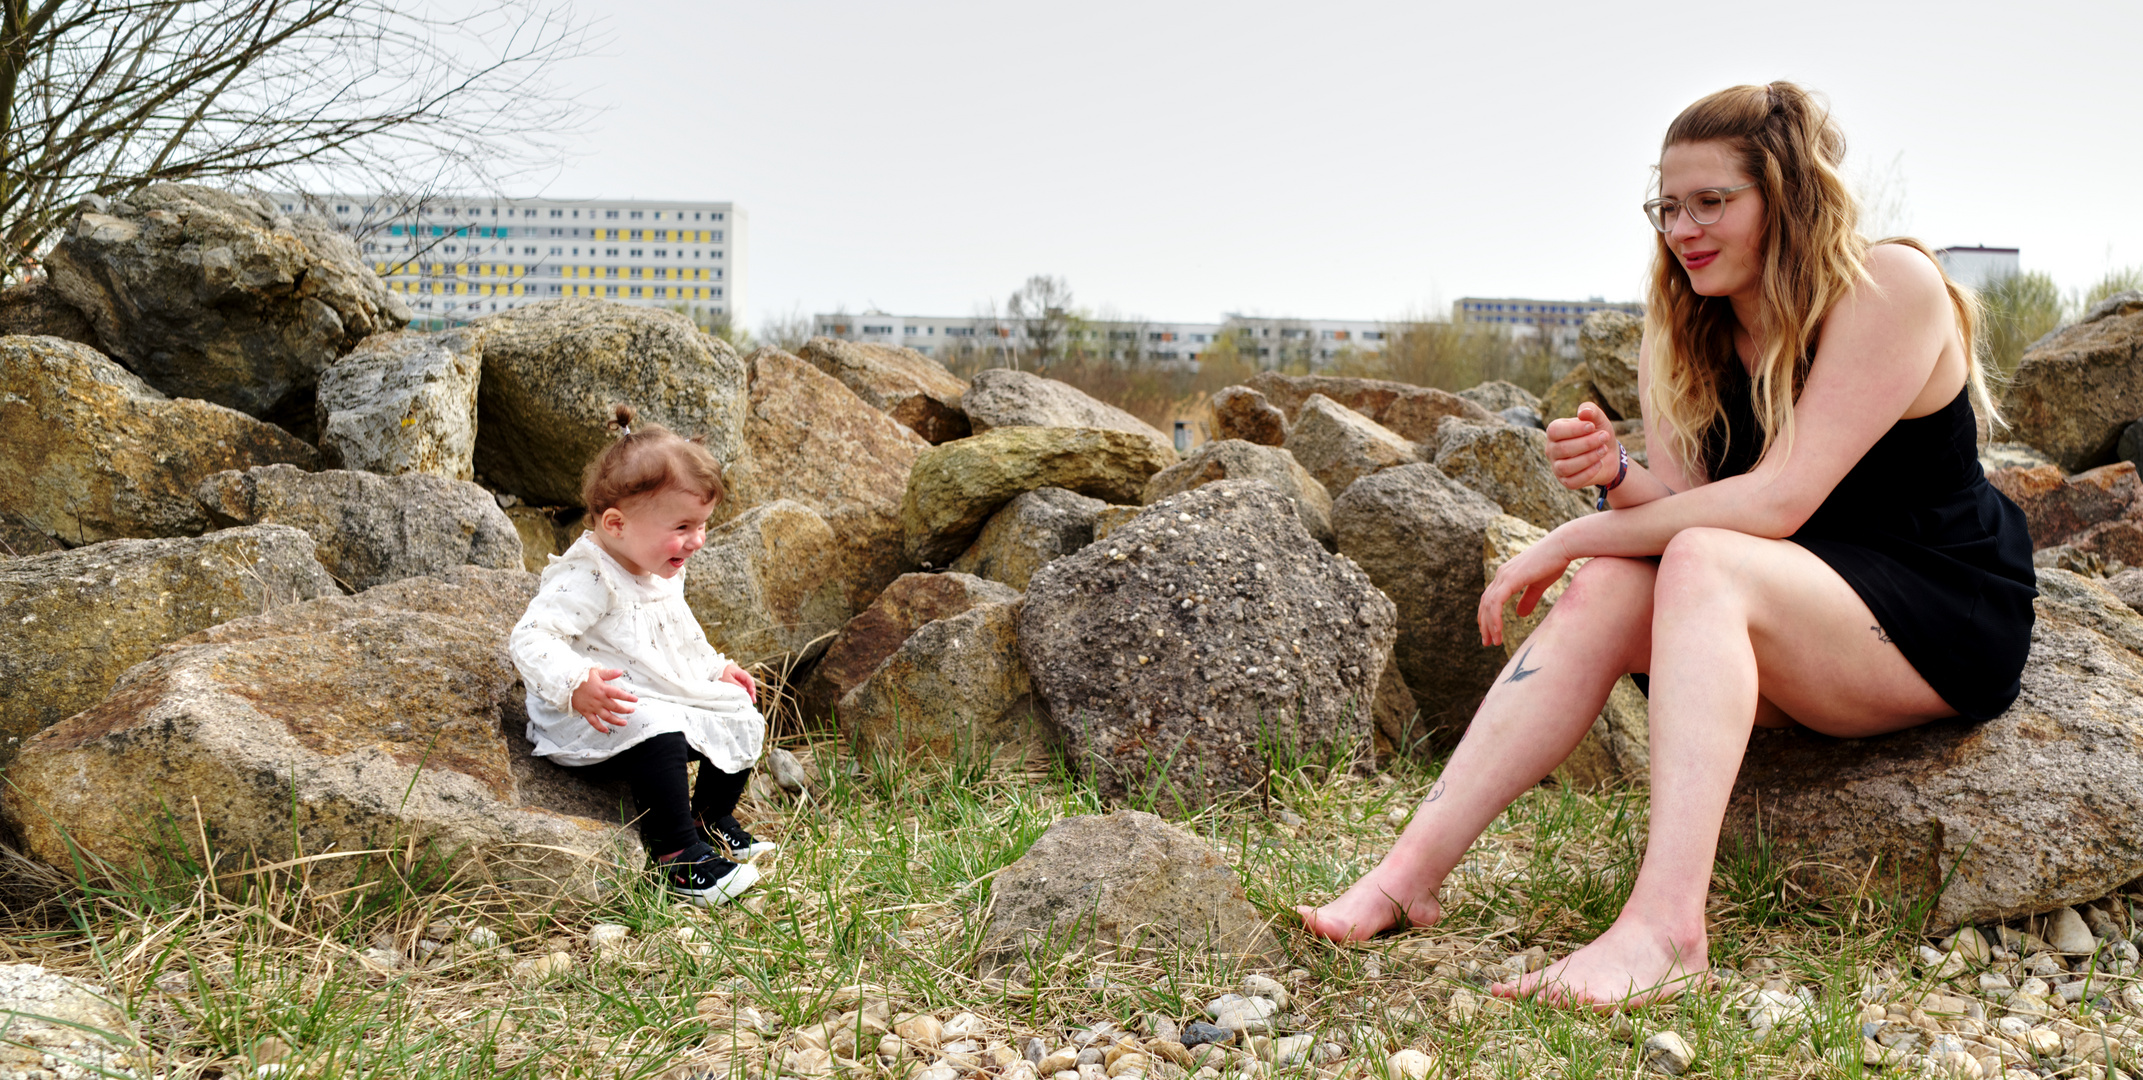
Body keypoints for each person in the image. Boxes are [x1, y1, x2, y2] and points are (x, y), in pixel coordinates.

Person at [1294, 81, 2036, 1007]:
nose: (1681, 228)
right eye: (1667, 205)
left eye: (1711, 202)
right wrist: (1616, 481)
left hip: (1933, 616)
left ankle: (1665, 931)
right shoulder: (1684, 326)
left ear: (1789, 196)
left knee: (1677, 558)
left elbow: (1774, 501)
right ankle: (1406, 876)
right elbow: (1691, 508)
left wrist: (1566, 534)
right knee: (1617, 575)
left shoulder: (1889, 286)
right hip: (1788, 611)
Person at [509, 405, 778, 906]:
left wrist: (716, 667)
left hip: (651, 691)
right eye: (683, 526)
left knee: (737, 706)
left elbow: (681, 639)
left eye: (702, 525)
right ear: (615, 523)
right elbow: (531, 637)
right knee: (657, 726)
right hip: (593, 712)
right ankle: (678, 859)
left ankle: (709, 820)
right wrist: (576, 682)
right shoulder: (590, 576)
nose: (696, 541)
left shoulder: (659, 569)